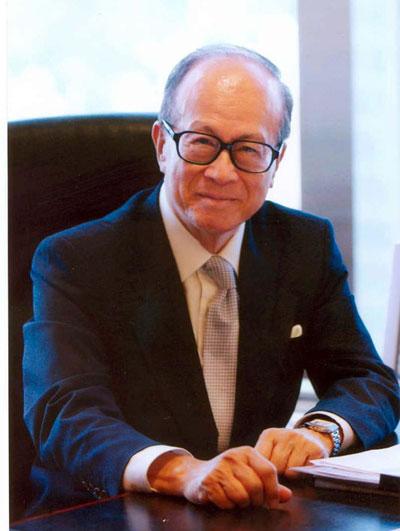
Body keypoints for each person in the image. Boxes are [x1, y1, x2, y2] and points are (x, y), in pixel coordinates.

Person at [23, 44, 400, 513]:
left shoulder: (304, 245)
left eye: (249, 150)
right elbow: (66, 412)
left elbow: (368, 379)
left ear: (276, 163)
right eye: (202, 142)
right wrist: (183, 470)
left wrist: (319, 432)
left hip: (244, 511)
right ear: (163, 145)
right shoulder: (75, 258)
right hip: (107, 511)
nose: (222, 173)